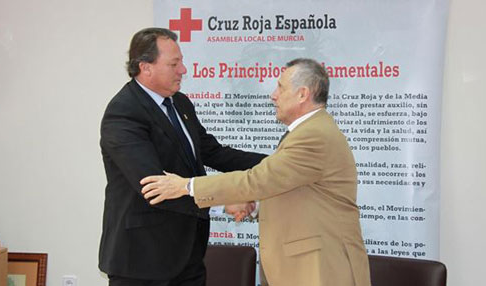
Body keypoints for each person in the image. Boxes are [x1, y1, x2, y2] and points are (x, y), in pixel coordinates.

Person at [140, 58, 371, 286]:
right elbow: (292, 189)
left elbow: (258, 180)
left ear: (302, 94)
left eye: (280, 87)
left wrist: (186, 186)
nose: (274, 95)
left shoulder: (314, 135)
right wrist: (255, 206)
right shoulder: (308, 131)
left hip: (320, 268)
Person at [98, 27, 266, 286]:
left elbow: (214, 152)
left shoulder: (181, 104)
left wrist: (276, 163)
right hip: (143, 262)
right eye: (174, 63)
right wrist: (224, 202)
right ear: (146, 67)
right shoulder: (123, 112)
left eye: (182, 61)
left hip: (187, 257)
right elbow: (154, 186)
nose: (183, 70)